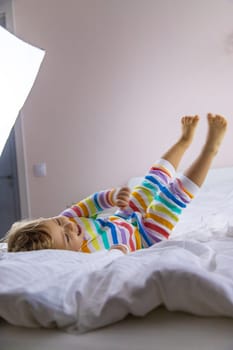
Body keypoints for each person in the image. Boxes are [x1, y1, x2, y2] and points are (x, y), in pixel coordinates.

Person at [4, 113, 227, 254]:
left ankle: (183, 142)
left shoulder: (70, 219)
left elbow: (91, 204)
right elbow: (112, 260)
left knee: (151, 182)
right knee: (169, 198)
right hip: (147, 236)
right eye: (66, 236)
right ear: (62, 254)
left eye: (57, 221)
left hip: (124, 216)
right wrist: (119, 252)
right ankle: (209, 151)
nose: (69, 225)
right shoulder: (84, 256)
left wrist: (110, 197)